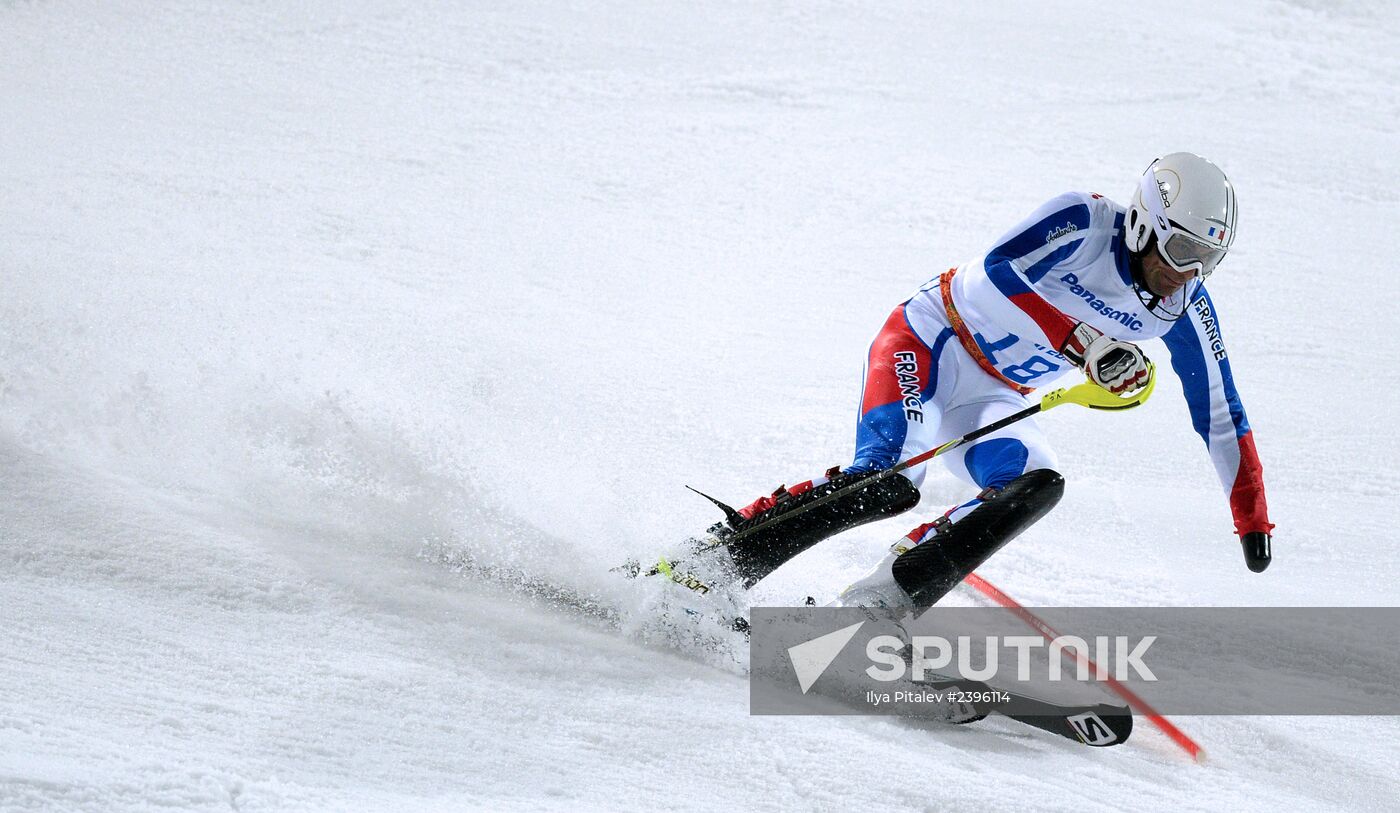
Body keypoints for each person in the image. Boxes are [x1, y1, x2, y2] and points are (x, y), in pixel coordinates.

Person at [678, 153, 1274, 611]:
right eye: (1181, 249)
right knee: (888, 483)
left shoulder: (1186, 304)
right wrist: (1083, 343)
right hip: (933, 342)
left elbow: (1221, 414)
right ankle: (707, 566)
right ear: (1145, 223)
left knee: (1038, 484)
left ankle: (874, 609)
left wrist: (1251, 520)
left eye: (1207, 260)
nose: (1189, 273)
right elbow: (995, 273)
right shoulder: (1084, 221)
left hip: (994, 397)